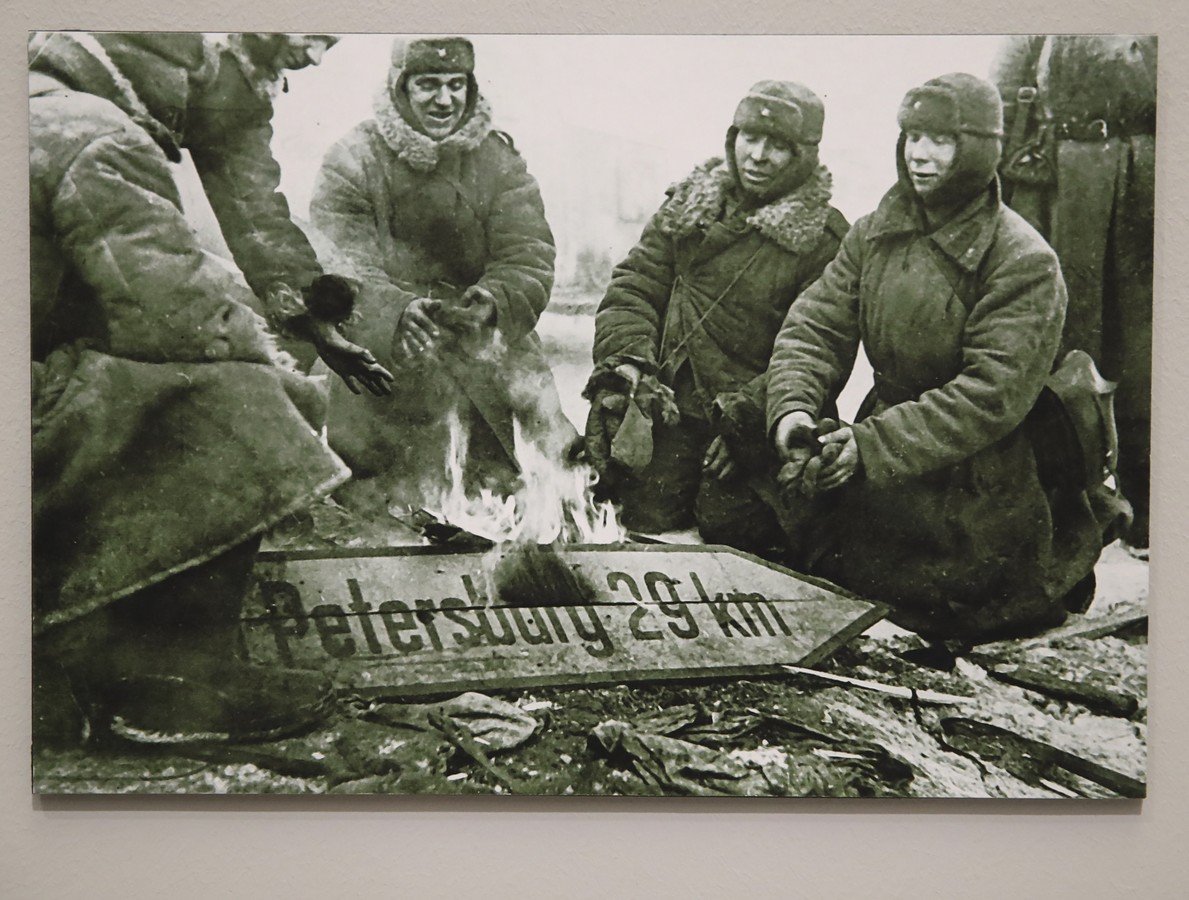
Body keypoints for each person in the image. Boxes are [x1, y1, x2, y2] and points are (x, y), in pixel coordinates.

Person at [29, 31, 357, 747]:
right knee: (236, 401)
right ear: (176, 78)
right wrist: (286, 386)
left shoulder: (38, 102)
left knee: (124, 381)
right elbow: (178, 320)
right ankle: (167, 685)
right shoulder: (100, 137)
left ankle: (63, 662)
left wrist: (296, 306)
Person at [765, 73, 1110, 642]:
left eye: (942, 140)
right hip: (884, 453)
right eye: (913, 135)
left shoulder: (1022, 259)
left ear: (979, 148)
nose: (919, 154)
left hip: (977, 477)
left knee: (942, 605)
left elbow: (991, 394)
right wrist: (794, 410)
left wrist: (871, 446)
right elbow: (814, 328)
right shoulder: (874, 233)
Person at [586, 81, 848, 552]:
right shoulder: (688, 205)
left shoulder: (823, 239)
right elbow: (635, 286)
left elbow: (819, 349)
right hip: (674, 408)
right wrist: (627, 362)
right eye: (750, 137)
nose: (758, 156)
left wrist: (748, 429)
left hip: (753, 418)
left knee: (736, 527)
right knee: (624, 508)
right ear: (733, 138)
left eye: (777, 145)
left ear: (803, 155)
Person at [309, 36, 566, 510]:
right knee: (380, 505)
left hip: (482, 348)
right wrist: (395, 311)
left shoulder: (498, 161)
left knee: (509, 496)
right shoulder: (353, 158)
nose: (444, 100)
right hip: (387, 350)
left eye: (456, 84)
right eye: (428, 84)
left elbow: (528, 251)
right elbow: (341, 260)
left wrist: (494, 300)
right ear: (400, 87)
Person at [993, 35, 1156, 552]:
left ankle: (1149, 504)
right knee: (1060, 345)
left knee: (1147, 351)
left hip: (1145, 183)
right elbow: (1003, 91)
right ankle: (1067, 508)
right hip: (1055, 185)